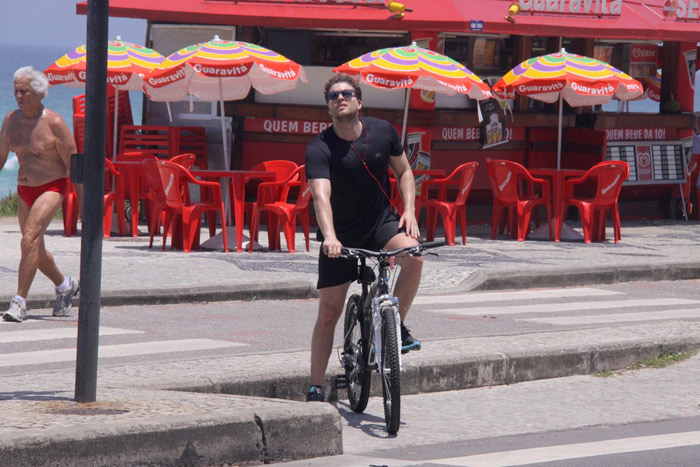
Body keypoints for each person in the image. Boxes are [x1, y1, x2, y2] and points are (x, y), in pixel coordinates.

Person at [304, 73, 423, 402]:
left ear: (359, 101)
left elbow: (404, 172)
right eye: (333, 96)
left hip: (380, 222)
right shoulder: (320, 148)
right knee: (329, 313)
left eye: (346, 93)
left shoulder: (383, 131)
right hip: (340, 234)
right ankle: (315, 386)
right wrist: (329, 236)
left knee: (414, 256)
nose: (339, 98)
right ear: (328, 108)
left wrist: (409, 210)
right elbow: (320, 197)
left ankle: (394, 326)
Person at [0, 66, 80, 323]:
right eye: (16, 91)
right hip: (25, 191)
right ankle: (65, 284)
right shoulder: (11, 121)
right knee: (34, 249)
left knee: (29, 239)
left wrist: (86, 208)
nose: (19, 96)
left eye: (24, 91)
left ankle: (20, 302)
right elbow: (1, 157)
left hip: (52, 187)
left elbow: (74, 164)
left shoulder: (54, 123)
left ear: (38, 92)